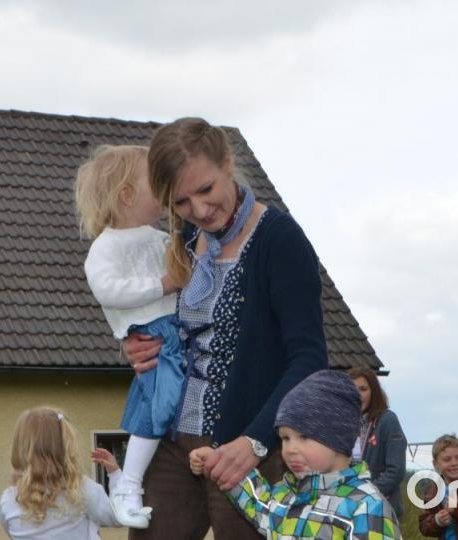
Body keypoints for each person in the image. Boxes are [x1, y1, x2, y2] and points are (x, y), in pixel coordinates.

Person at [123, 116, 328, 539]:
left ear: (229, 165)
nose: (199, 210)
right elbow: (170, 332)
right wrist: (145, 348)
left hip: (250, 449)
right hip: (175, 440)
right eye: (181, 203)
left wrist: (254, 441)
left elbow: (309, 359)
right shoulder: (180, 243)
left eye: (206, 190)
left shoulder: (280, 239)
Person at [73, 144, 183, 528]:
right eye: (154, 182)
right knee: (164, 403)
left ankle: (131, 480)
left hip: (172, 329)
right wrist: (163, 284)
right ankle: (129, 482)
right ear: (126, 195)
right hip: (152, 331)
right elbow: (108, 290)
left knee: (155, 403)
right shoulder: (107, 246)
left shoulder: (158, 236)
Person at [190, 370, 400, 539]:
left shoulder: (367, 506)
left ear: (338, 437)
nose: (290, 449)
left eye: (304, 437)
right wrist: (217, 458)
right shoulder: (286, 494)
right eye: (285, 438)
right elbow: (255, 501)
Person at [0, 406, 124, 539]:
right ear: (67, 445)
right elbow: (118, 517)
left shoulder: (9, 499)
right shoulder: (81, 490)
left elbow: (11, 533)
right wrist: (115, 474)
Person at [348, 366, 407, 517]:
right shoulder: (344, 424)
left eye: (363, 389)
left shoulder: (387, 420)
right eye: (353, 389)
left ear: (373, 392)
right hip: (349, 507)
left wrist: (365, 493)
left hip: (381, 509)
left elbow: (396, 470)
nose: (358, 395)